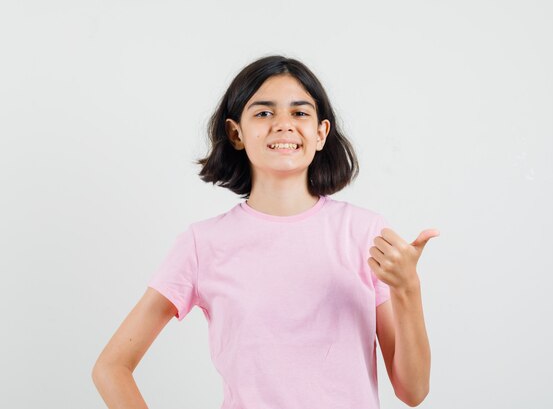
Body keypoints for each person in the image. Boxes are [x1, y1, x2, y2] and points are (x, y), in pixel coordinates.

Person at [91, 54, 438, 408]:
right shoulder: (202, 244)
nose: (284, 124)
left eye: (300, 112)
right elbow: (111, 367)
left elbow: (413, 391)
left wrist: (408, 287)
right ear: (236, 133)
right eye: (263, 113)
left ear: (321, 133)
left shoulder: (365, 233)